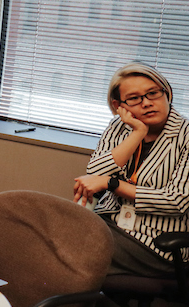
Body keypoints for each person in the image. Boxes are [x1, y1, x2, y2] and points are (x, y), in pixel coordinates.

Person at [74, 63, 189, 277]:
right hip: (110, 224)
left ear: (167, 93)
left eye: (153, 93)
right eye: (135, 98)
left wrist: (113, 184)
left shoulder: (186, 136)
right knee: (53, 235)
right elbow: (94, 174)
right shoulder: (118, 127)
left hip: (156, 243)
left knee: (69, 252)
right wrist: (137, 133)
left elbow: (175, 201)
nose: (146, 103)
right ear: (119, 105)